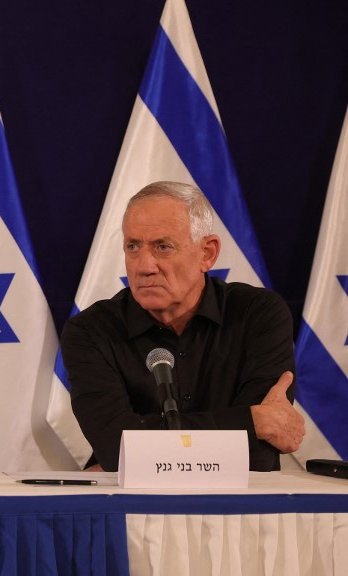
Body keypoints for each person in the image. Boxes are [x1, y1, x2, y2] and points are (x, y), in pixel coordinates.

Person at [60, 181, 304, 472]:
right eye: (133, 247)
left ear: (207, 254)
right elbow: (116, 447)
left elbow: (258, 454)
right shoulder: (90, 331)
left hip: (240, 509)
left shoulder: (258, 315)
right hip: (137, 509)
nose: (144, 266)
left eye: (163, 247)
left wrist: (147, 446)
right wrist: (252, 421)